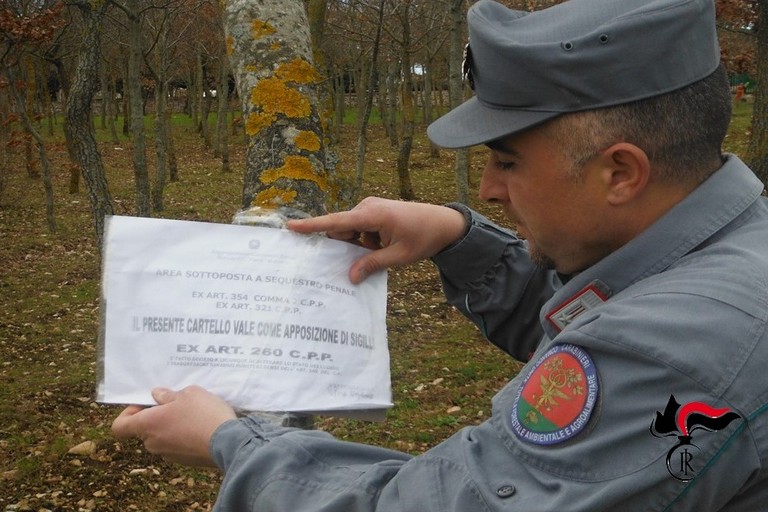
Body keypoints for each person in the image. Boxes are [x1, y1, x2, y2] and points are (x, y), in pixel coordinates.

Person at [111, 0, 768, 509]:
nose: (487, 189)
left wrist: (232, 444)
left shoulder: (672, 350)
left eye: (507, 162)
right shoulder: (730, 248)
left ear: (620, 173)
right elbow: (607, 317)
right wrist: (460, 240)